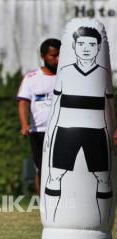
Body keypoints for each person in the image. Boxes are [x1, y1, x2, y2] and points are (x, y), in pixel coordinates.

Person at [44, 27, 114, 223]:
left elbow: (109, 105)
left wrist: (113, 130)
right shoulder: (65, 72)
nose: (86, 48)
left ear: (98, 48)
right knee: (55, 176)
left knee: (103, 179)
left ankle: (102, 223)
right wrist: (50, 133)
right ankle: (52, 222)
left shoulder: (102, 74)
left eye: (91, 44)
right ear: (74, 46)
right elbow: (56, 105)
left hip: (97, 133)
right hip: (65, 131)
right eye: (81, 44)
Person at [17, 38, 61, 195]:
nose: (57, 59)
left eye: (60, 55)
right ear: (43, 56)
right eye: (53, 55)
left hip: (63, 130)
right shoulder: (32, 78)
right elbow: (23, 102)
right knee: (42, 168)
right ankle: (45, 205)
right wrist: (24, 124)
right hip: (39, 131)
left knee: (63, 169)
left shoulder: (68, 76)